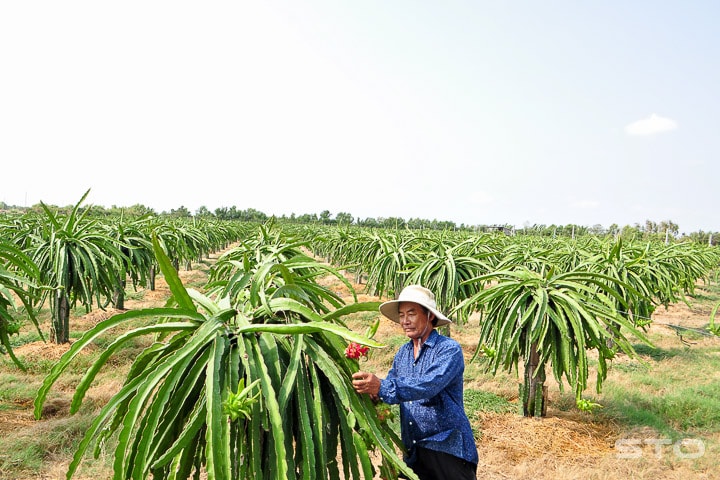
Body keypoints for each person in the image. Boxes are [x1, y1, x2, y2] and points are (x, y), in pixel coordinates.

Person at [352, 285, 478, 480]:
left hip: (446, 448)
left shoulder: (448, 350)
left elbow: (428, 385)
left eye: (412, 314)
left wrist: (382, 386)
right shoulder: (402, 354)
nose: (405, 321)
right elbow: (391, 388)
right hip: (414, 450)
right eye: (401, 315)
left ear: (429, 316)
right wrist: (372, 392)